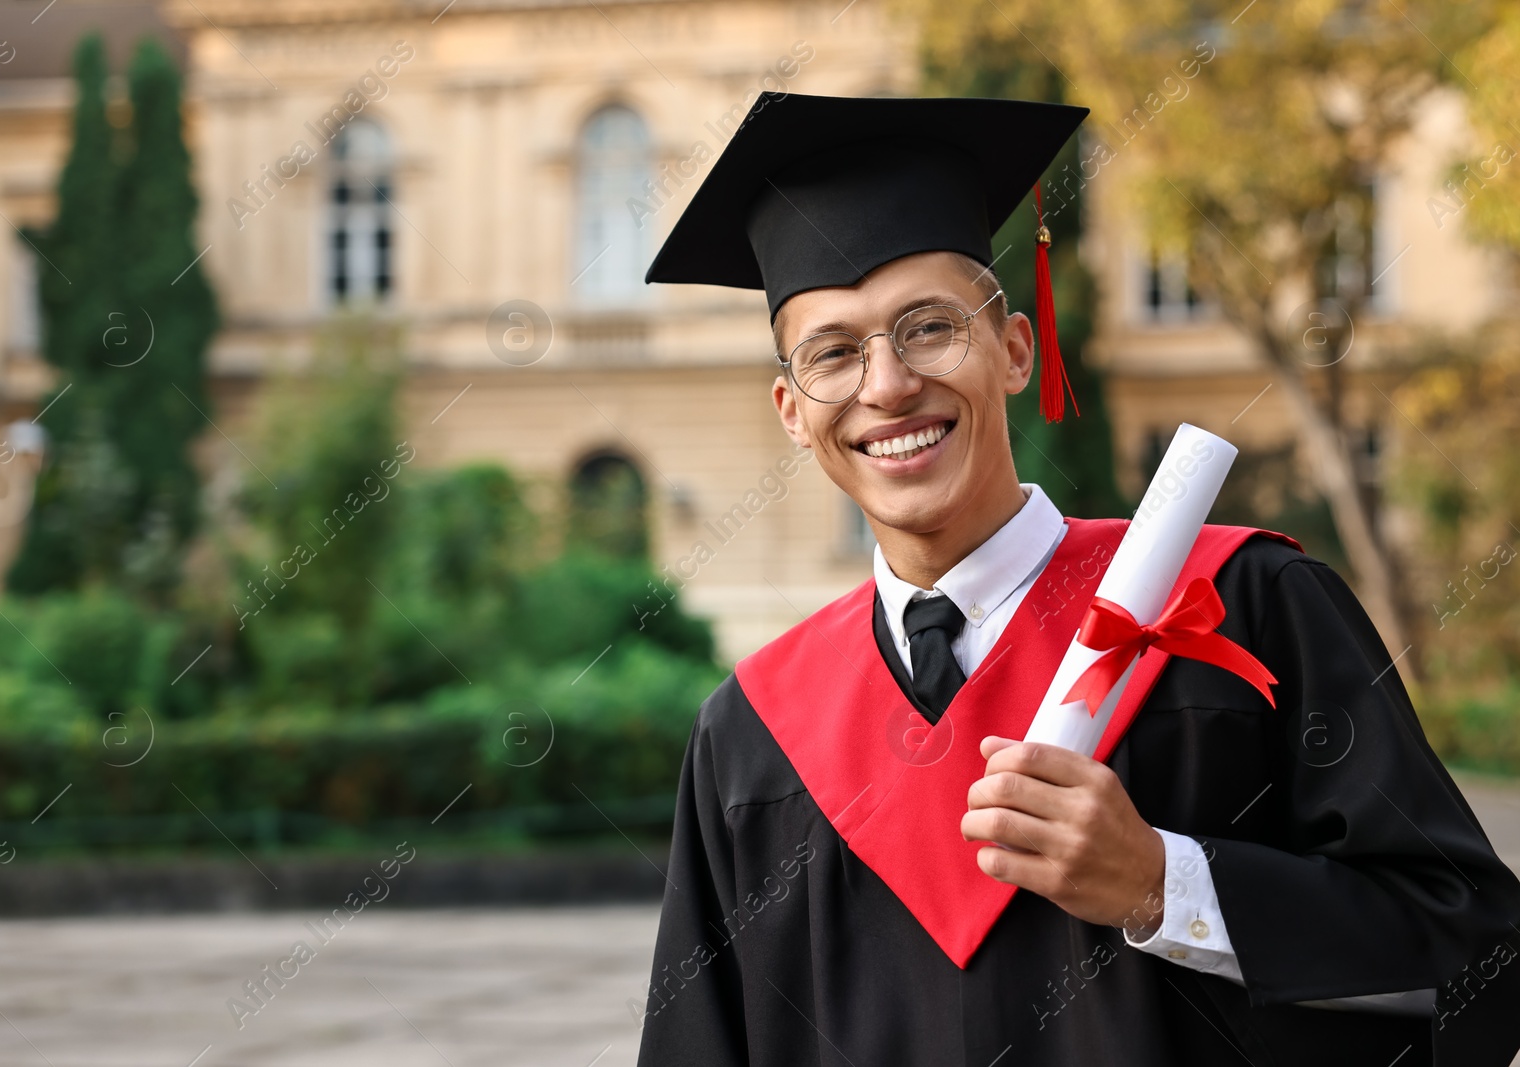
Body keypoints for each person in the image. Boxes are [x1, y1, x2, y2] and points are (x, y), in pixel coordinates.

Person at [634, 93, 1520, 1066]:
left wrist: (1162, 883)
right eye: (833, 352)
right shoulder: (750, 731)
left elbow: (1478, 957)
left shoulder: (1245, 603)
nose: (886, 384)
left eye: (929, 327)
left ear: (1013, 348)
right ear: (792, 411)